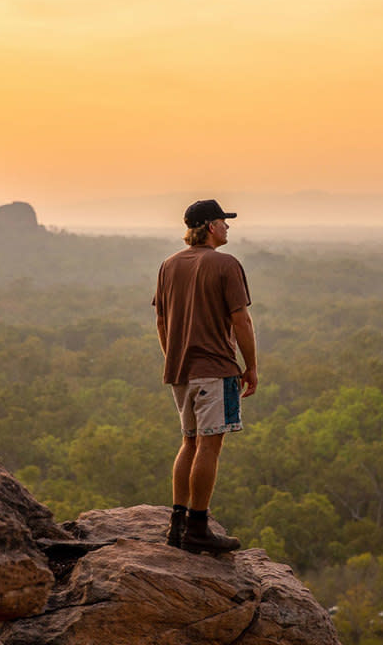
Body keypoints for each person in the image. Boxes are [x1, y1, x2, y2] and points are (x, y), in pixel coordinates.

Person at [153, 198, 258, 554]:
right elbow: (240, 319)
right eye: (224, 222)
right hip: (215, 369)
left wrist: (174, 358)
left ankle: (176, 525)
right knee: (210, 445)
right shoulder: (226, 264)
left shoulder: (168, 265)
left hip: (181, 371)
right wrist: (251, 366)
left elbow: (161, 321)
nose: (228, 227)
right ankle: (198, 527)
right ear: (211, 227)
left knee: (189, 442)